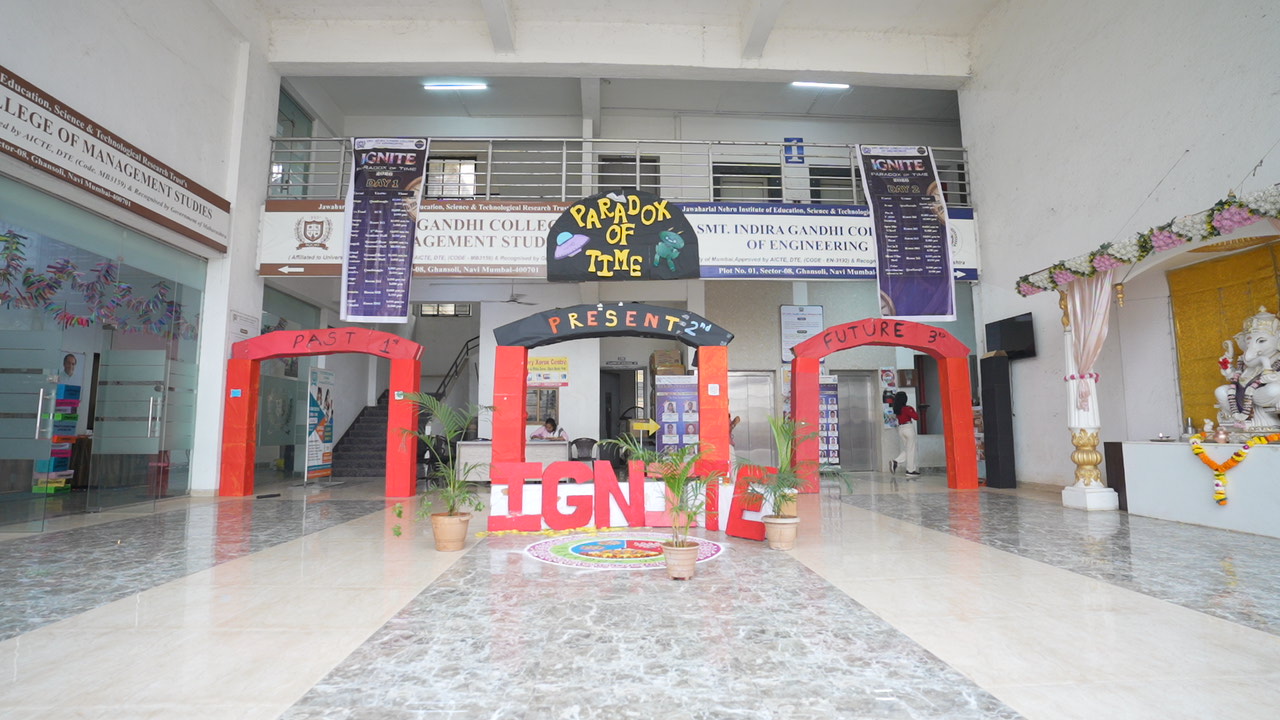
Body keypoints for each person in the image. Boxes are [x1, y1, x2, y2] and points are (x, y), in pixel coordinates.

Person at [890, 391, 920, 477]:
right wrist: (913, 410)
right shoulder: (907, 408)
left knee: (907, 449)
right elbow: (916, 417)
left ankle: (898, 463)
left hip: (901, 429)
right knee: (911, 450)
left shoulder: (897, 409)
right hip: (908, 428)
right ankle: (909, 470)